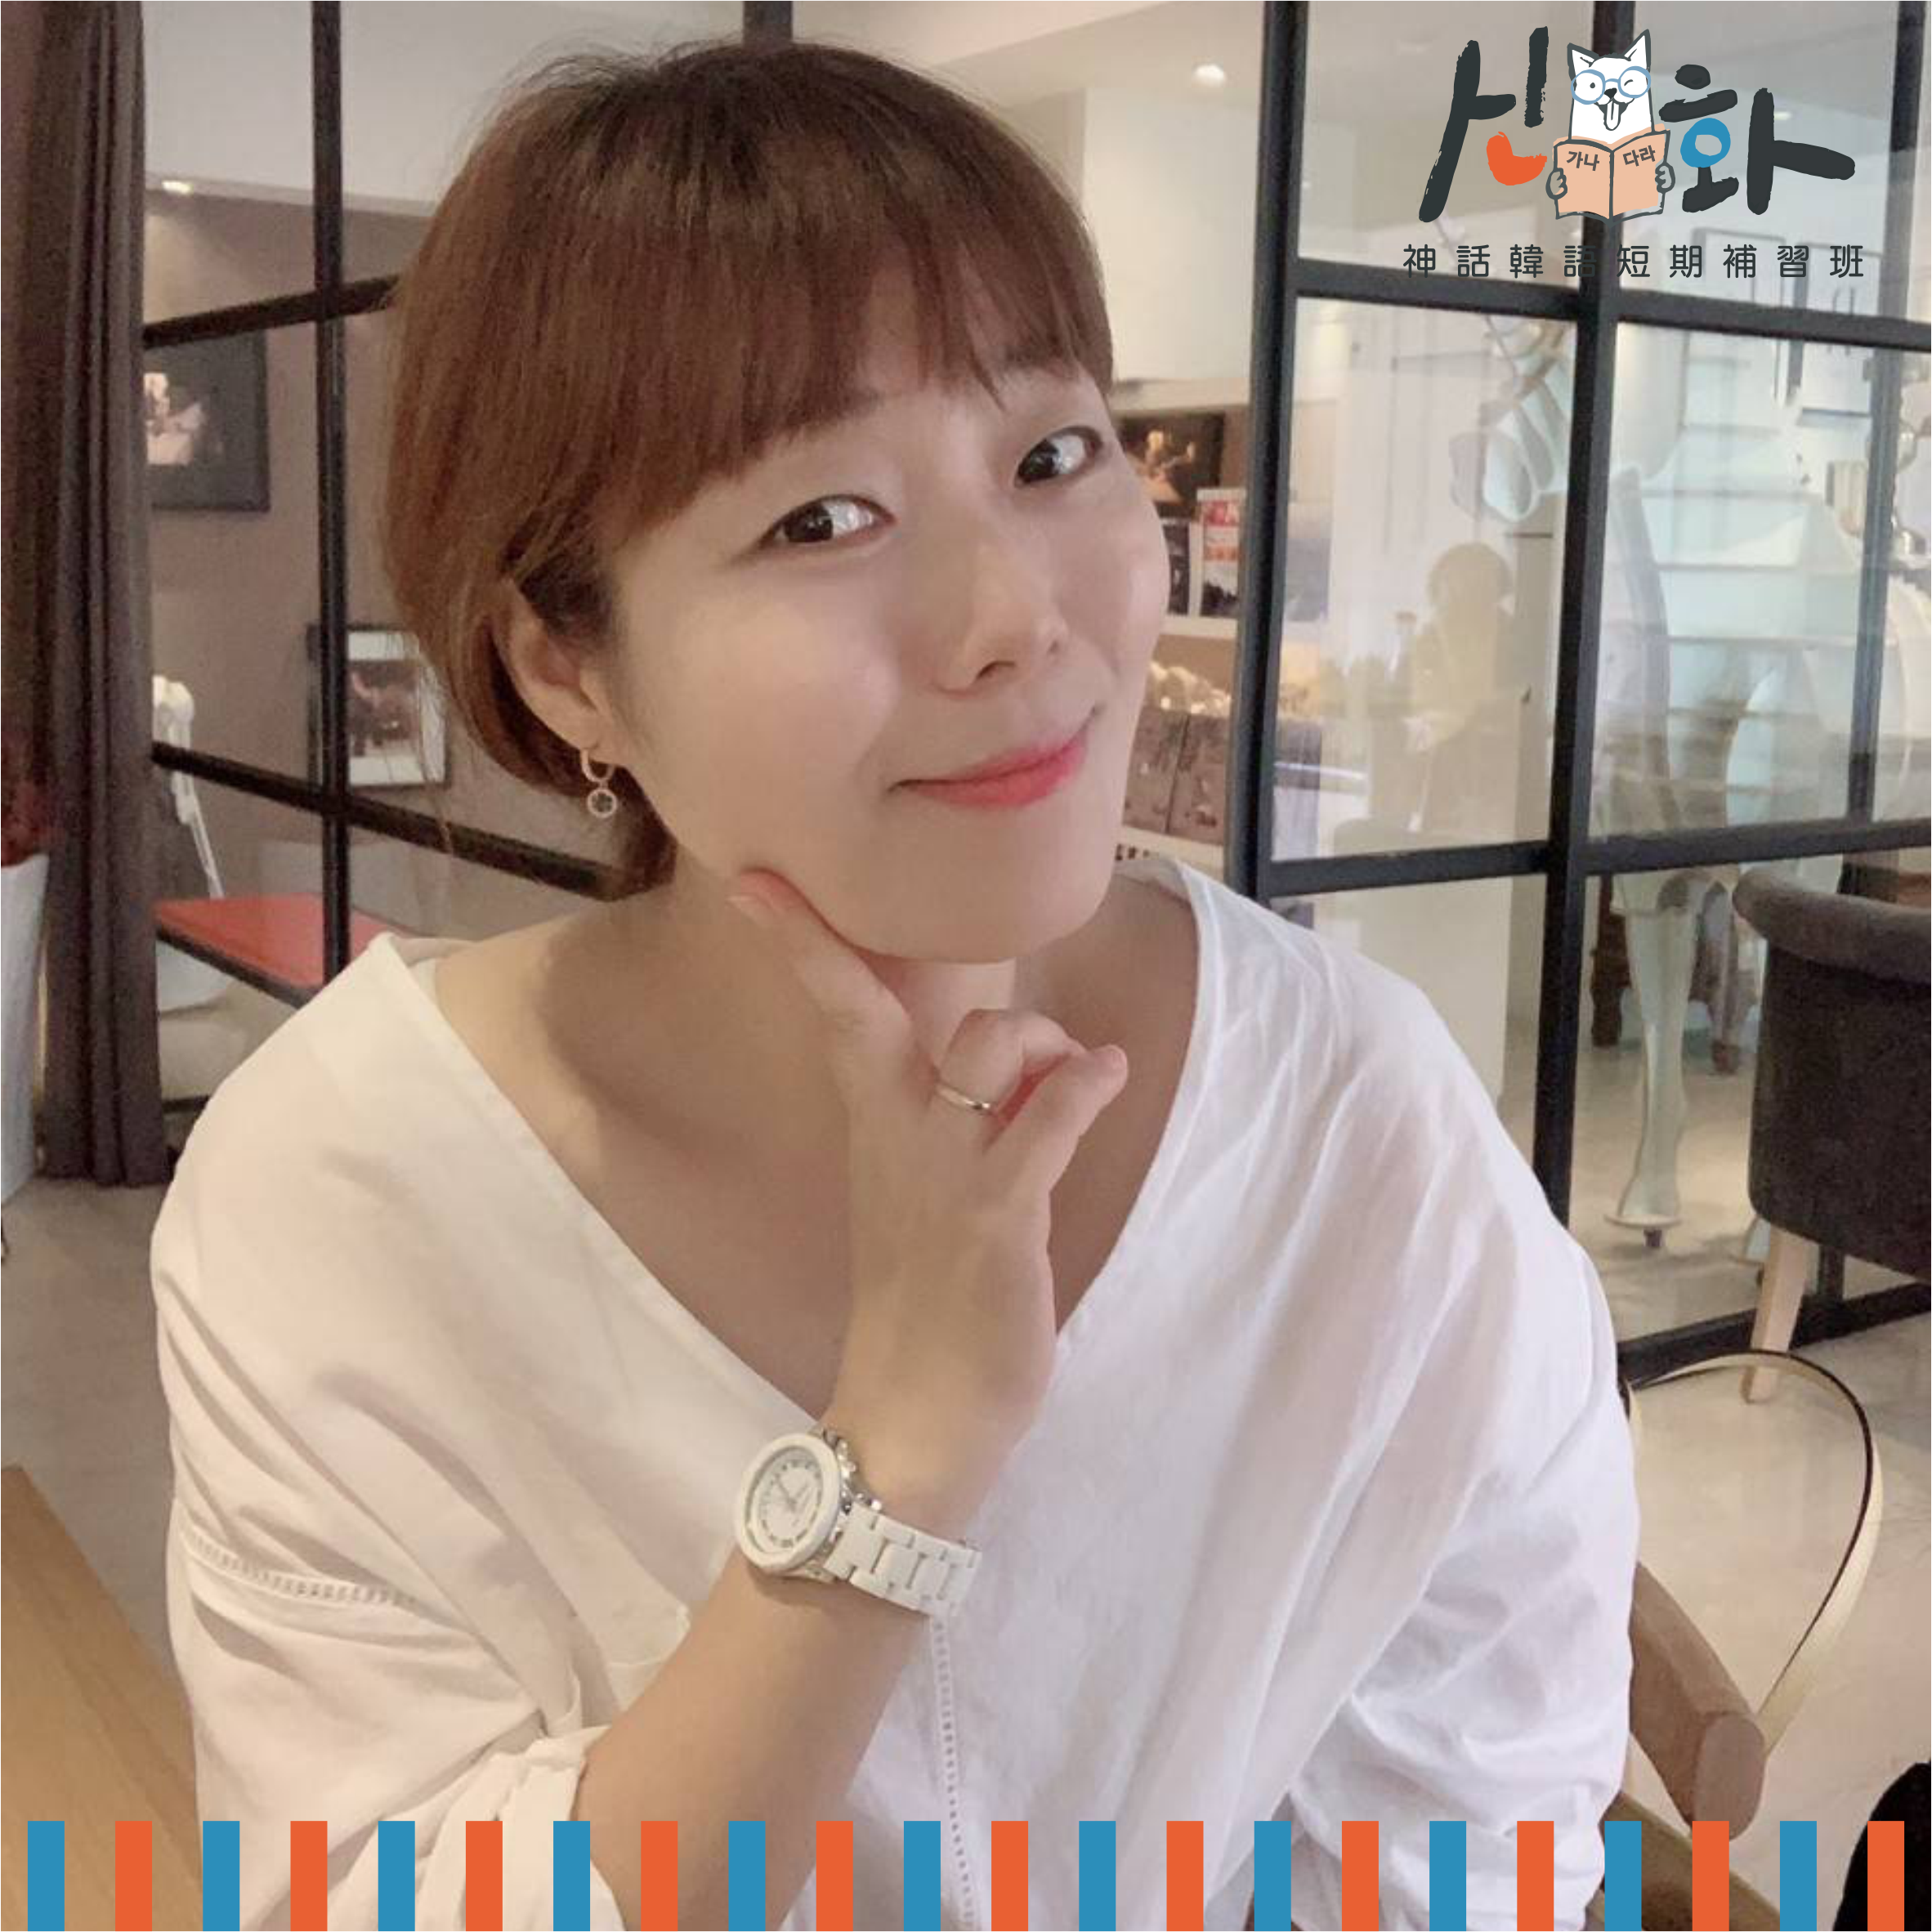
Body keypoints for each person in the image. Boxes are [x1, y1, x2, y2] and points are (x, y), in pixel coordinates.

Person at [149, 36, 1640, 1932]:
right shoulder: (344, 1189)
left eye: (1051, 454)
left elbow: (1479, 1816)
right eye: (820, 519)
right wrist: (890, 1472)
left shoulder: (1354, 1110)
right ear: (568, 669)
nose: (1013, 615)